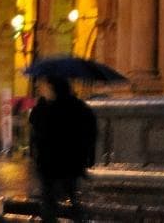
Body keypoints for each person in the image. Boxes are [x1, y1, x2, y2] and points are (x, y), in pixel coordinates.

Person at [29, 75, 97, 223]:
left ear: (55, 89)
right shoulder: (80, 108)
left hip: (51, 161)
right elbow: (91, 133)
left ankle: (53, 219)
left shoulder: (49, 108)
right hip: (71, 160)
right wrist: (89, 157)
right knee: (71, 195)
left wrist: (37, 155)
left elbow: (39, 132)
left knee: (50, 198)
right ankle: (78, 217)